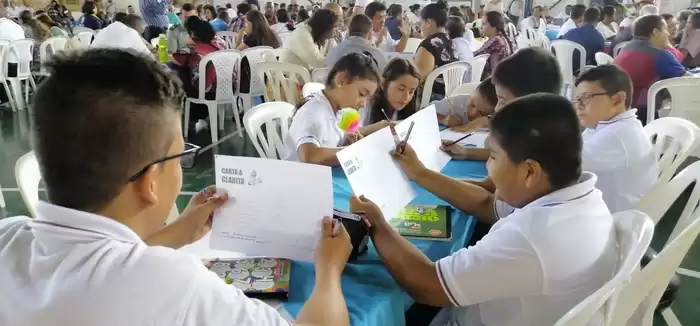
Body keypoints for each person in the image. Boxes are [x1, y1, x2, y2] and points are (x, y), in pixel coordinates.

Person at [0, 48, 352, 326]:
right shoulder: (169, 283)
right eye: (179, 154)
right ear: (150, 181)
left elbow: (85, 261)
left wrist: (180, 231)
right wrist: (329, 271)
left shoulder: (8, 238)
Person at [367, 93, 616, 326]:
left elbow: (427, 285)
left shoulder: (531, 236)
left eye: (494, 157)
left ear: (530, 171)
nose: (488, 166)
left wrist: (376, 223)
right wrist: (420, 173)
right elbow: (485, 204)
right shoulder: (581, 198)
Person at [441, 48, 562, 161]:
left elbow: (492, 178)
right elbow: (504, 156)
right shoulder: (534, 133)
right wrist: (467, 152)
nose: (497, 108)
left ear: (532, 107)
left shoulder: (536, 149)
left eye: (503, 101)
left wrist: (423, 174)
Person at [573, 64, 659, 213]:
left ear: (617, 100)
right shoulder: (606, 125)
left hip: (618, 221)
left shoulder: (619, 136)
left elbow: (563, 166)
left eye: (586, 98)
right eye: (577, 100)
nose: (579, 107)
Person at [283, 53, 386, 165]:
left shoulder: (338, 108)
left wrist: (345, 140)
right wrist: (357, 151)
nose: (364, 104)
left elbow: (340, 136)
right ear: (341, 81)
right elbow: (309, 156)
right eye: (362, 94)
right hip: (299, 178)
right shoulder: (313, 112)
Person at [613, 15, 687, 122]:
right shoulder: (660, 55)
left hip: (621, 109)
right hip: (644, 114)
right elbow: (689, 82)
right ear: (656, 32)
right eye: (665, 29)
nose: (668, 33)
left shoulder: (625, 48)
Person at [171, 16, 225, 131]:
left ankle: (192, 117)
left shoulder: (191, 45)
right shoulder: (218, 43)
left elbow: (177, 60)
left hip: (205, 91)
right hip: (226, 88)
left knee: (179, 73)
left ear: (190, 32)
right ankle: (205, 115)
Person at [415, 2, 457, 98]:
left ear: (429, 22)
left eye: (421, 23)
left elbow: (417, 78)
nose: (421, 27)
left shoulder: (429, 45)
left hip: (432, 97)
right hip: (450, 95)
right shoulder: (450, 41)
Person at [362, 58, 421, 125]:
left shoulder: (408, 112)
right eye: (401, 89)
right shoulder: (364, 106)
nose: (406, 97)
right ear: (383, 83)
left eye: (411, 92)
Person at [473, 10, 515, 80]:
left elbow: (475, 55)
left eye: (484, 24)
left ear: (494, 26)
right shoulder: (503, 38)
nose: (481, 27)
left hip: (491, 83)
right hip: (502, 81)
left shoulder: (496, 41)